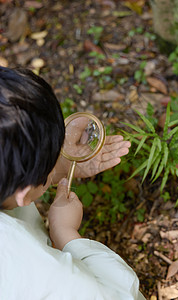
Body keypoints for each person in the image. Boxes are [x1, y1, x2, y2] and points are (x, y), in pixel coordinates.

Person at [0, 67, 146, 300]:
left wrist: (58, 167)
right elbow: (117, 295)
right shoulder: (29, 266)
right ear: (24, 193)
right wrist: (64, 233)